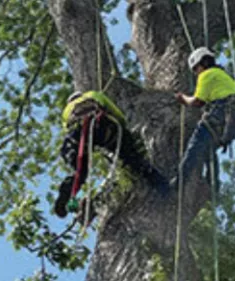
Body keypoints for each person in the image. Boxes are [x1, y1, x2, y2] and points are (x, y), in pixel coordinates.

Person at [54, 90, 169, 218]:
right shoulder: (93, 94)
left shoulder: (66, 110)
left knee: (80, 171)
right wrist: (124, 130)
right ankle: (159, 182)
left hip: (79, 135)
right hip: (105, 127)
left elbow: (67, 128)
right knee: (132, 158)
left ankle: (67, 192)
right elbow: (117, 113)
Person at [173, 47, 235, 190]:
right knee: (209, 148)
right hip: (234, 119)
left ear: (203, 64)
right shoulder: (224, 76)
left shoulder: (207, 75)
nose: (196, 73)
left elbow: (197, 101)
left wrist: (183, 98)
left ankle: (179, 181)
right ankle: (213, 182)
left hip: (220, 112)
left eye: (196, 69)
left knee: (195, 145)